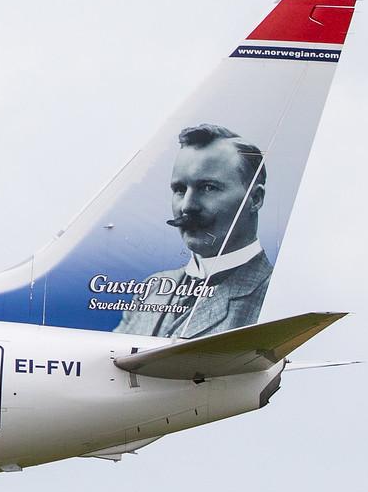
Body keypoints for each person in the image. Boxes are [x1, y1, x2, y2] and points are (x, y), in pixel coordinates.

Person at [113, 124, 273, 337]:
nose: (187, 206)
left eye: (208, 188)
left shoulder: (273, 295)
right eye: (179, 190)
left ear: (255, 199)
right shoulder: (152, 289)